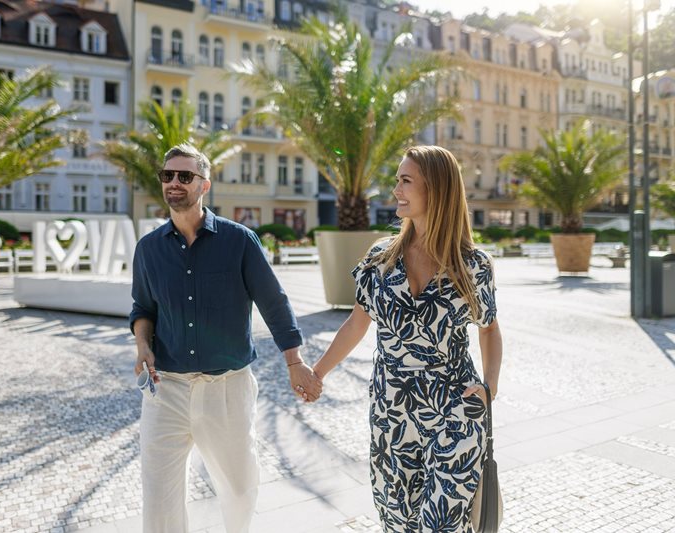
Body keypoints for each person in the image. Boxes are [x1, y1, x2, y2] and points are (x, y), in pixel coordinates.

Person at [129, 142, 322, 533]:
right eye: (168, 176)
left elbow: (274, 303)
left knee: (238, 489)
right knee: (159, 496)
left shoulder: (239, 241)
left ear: (205, 185)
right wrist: (143, 346)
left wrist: (295, 362)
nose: (175, 183)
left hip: (227, 389)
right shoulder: (148, 249)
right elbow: (142, 309)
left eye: (186, 176)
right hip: (166, 390)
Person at [311, 145, 503, 532]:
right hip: (391, 411)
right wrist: (317, 373)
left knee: (441, 524)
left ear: (435, 188)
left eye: (405, 181)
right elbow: (355, 324)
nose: (395, 189)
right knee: (397, 519)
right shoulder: (381, 259)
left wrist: (490, 388)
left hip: (454, 409)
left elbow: (490, 328)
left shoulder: (473, 264)